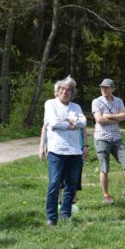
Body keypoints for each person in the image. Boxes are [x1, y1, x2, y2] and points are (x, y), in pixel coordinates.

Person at [41, 77, 86, 226]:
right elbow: (53, 122)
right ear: (57, 90)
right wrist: (72, 123)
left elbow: (83, 122)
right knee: (54, 184)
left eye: (68, 90)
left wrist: (65, 122)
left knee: (71, 185)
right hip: (57, 151)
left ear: (72, 92)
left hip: (74, 152)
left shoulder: (76, 107)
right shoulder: (50, 104)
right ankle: (51, 218)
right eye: (62, 89)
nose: (65, 92)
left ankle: (66, 214)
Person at [91, 78, 125, 204]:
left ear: (113, 89)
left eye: (106, 87)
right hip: (101, 138)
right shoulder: (96, 102)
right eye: (102, 87)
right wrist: (117, 118)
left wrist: (109, 116)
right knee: (104, 168)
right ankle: (106, 195)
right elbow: (99, 120)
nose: (103, 89)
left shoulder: (118, 101)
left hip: (117, 138)